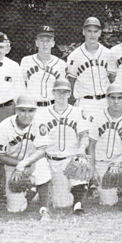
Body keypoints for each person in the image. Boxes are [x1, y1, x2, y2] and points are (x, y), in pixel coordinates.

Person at [30, 79, 91, 214]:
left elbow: (84, 136)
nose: (62, 95)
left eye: (65, 92)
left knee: (63, 203)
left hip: (69, 160)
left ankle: (78, 204)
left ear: (70, 94)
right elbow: (39, 141)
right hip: (49, 159)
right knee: (40, 165)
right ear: (53, 93)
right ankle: (41, 189)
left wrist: (81, 149)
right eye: (59, 92)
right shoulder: (42, 113)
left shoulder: (78, 112)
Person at [0, 95, 52, 216]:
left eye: (31, 110)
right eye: (23, 110)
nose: (27, 114)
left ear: (35, 111)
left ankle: (44, 208)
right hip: (12, 165)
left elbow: (42, 150)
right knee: (15, 209)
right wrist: (19, 165)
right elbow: (0, 156)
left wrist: (24, 163)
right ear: (16, 110)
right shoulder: (4, 126)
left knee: (42, 166)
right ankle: (32, 190)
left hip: (33, 161)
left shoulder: (40, 123)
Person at [87, 83, 122, 206]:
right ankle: (116, 188)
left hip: (120, 162)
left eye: (119, 98)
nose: (116, 101)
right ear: (107, 98)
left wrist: (118, 161)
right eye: (113, 98)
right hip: (102, 163)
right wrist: (93, 170)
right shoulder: (97, 117)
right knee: (108, 203)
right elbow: (91, 145)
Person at [66, 17, 115, 117]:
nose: (92, 35)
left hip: (105, 102)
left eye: (95, 31)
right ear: (84, 32)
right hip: (85, 103)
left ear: (100, 33)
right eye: (89, 31)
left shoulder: (108, 53)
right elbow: (71, 82)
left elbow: (112, 79)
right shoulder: (74, 56)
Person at [19, 26, 67, 107]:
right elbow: (20, 86)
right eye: (42, 41)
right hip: (32, 106)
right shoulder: (26, 61)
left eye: (48, 41)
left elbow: (62, 91)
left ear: (53, 44)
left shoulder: (61, 64)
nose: (45, 44)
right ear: (37, 43)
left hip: (52, 106)